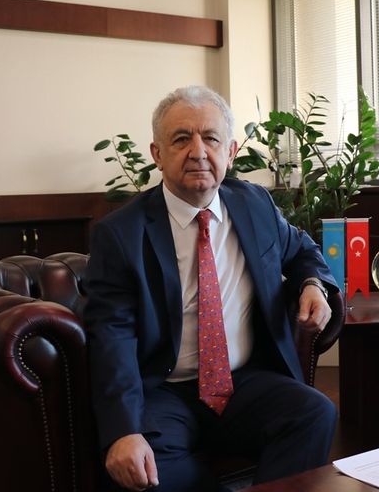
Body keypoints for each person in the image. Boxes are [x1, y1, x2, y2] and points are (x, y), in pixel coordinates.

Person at [84, 85, 339, 492]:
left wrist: (312, 284)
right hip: (163, 390)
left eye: (211, 138)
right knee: (149, 473)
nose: (198, 152)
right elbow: (111, 335)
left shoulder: (255, 204)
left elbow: (302, 250)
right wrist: (123, 431)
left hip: (244, 382)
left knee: (315, 413)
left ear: (231, 151)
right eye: (181, 139)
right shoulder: (121, 234)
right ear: (157, 154)